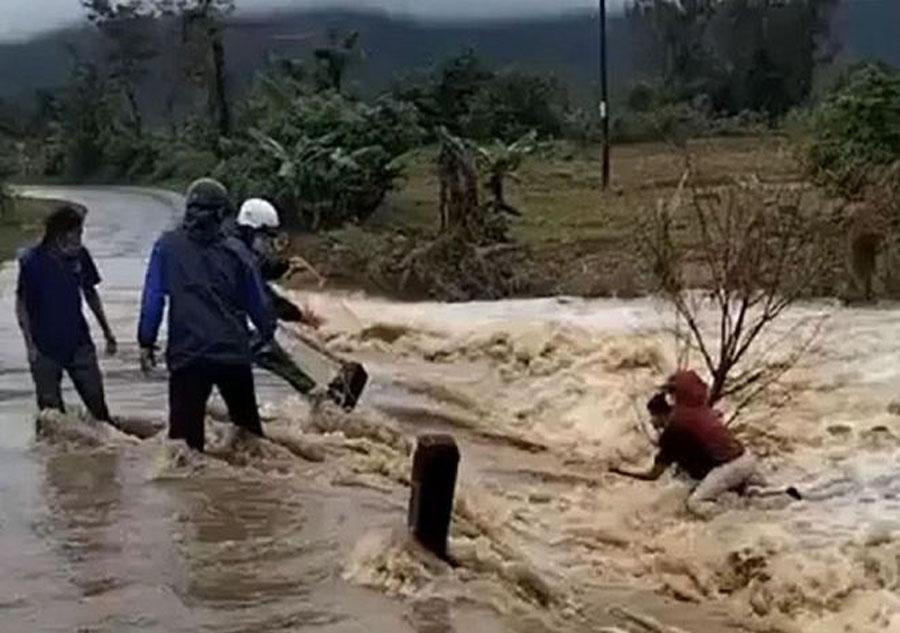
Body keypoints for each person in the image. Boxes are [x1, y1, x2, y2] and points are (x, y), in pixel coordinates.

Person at [137, 179, 275, 453]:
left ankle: (192, 493)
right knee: (250, 437)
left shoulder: (167, 247)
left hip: (188, 355)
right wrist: (266, 333)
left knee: (184, 449)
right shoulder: (237, 252)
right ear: (222, 214)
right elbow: (258, 303)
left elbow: (153, 299)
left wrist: (145, 341)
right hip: (232, 354)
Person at [232, 198, 367, 410]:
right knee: (263, 346)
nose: (269, 244)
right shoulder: (237, 256)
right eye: (266, 237)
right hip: (214, 324)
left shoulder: (237, 246)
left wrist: (283, 267)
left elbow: (260, 269)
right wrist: (298, 316)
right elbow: (263, 297)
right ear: (252, 231)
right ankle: (321, 402)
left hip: (210, 321)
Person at [610, 369, 800, 516]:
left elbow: (653, 475)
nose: (652, 422)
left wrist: (619, 470)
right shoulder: (698, 409)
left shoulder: (674, 428)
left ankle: (739, 521)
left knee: (696, 503)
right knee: (748, 493)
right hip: (746, 458)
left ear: (663, 413)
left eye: (654, 417)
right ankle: (785, 494)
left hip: (730, 466)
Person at [16, 205, 117, 422]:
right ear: (59, 235)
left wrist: (107, 332)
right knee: (51, 419)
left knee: (99, 409)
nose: (80, 239)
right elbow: (22, 304)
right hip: (44, 347)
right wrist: (30, 346)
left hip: (78, 342)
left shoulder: (80, 257)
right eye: (77, 233)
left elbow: (90, 294)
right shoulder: (31, 262)